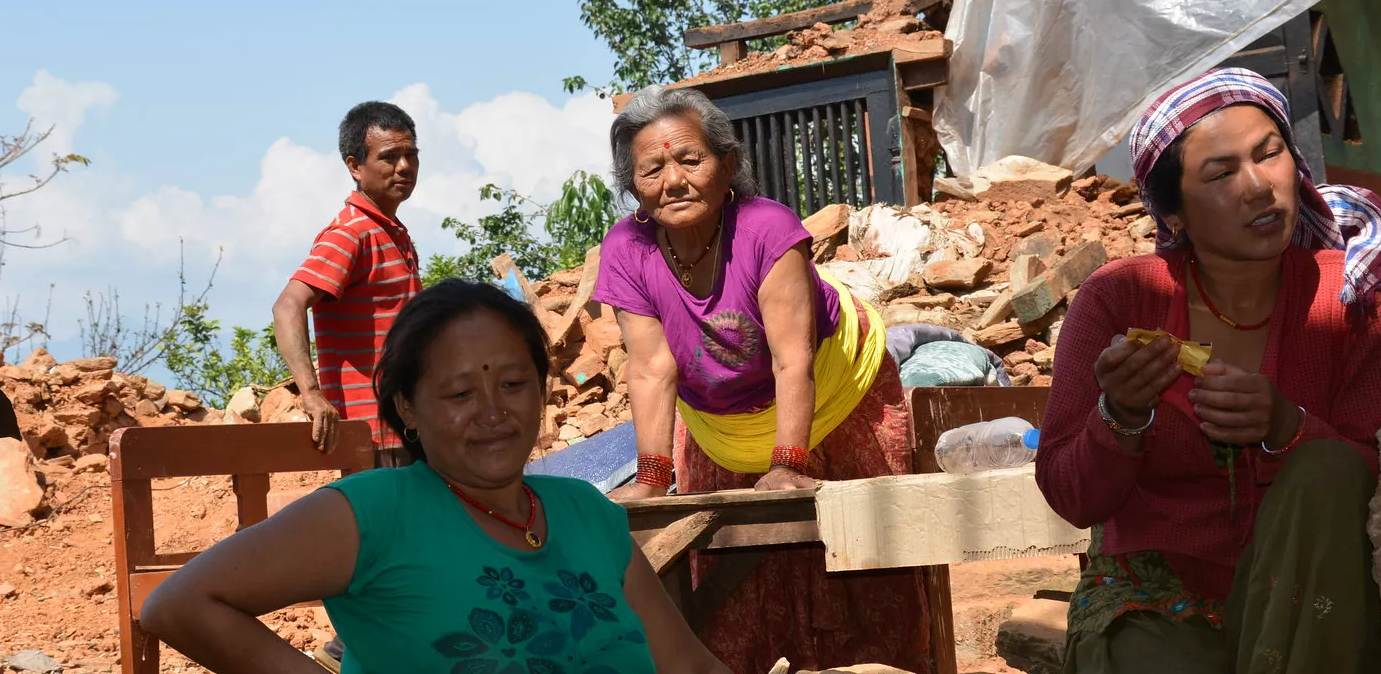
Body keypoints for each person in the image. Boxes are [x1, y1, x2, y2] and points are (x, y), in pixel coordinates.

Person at [1035, 68, 1381, 673]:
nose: (1258, 186)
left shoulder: (1361, 303)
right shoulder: (1120, 301)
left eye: (1269, 154)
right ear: (1173, 215)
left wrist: (1288, 427)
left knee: (1327, 465)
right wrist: (1119, 416)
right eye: (1221, 174)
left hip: (1317, 601)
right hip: (1157, 598)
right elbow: (1071, 496)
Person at [141, 280, 731, 674]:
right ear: (406, 409)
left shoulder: (585, 512)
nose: (494, 411)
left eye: (513, 383)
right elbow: (179, 604)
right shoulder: (376, 512)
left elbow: (691, 667)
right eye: (458, 393)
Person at [593, 85, 930, 673]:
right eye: (652, 169)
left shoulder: (768, 228)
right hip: (719, 419)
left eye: (690, 160)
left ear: (728, 163)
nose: (673, 181)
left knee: (866, 552)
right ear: (633, 188)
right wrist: (651, 480)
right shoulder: (627, 247)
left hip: (836, 394)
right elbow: (651, 367)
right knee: (731, 583)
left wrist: (788, 461)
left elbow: (791, 359)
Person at [271, 101, 423, 469]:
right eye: (389, 157)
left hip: (405, 428)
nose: (404, 167)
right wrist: (310, 393)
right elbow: (287, 305)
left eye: (411, 155)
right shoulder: (351, 234)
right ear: (355, 167)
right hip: (373, 438)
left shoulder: (388, 231)